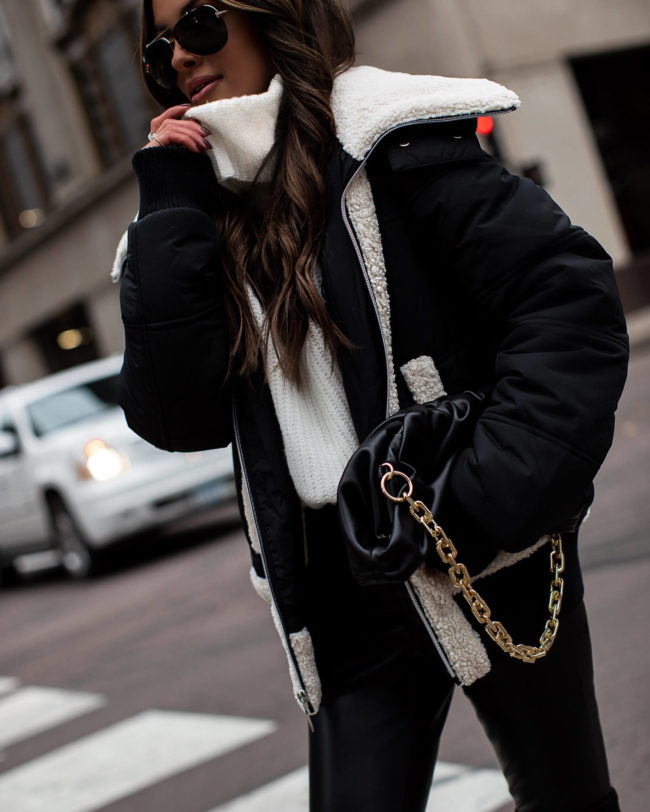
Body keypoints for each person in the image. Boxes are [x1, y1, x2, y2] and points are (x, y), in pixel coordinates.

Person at [114, 1, 629, 809]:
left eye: (201, 23)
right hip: (341, 588)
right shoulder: (201, 207)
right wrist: (171, 208)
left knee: (565, 798)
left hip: (475, 549)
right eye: (158, 47)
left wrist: (489, 494)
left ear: (272, 14)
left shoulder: (391, 143)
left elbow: (566, 302)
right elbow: (179, 416)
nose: (178, 56)